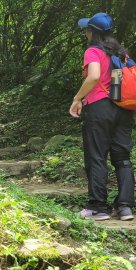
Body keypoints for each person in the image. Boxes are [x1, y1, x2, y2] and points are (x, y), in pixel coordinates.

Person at [70, 12, 135, 221]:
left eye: (87, 30)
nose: (86, 34)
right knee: (122, 158)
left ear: (92, 32)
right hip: (123, 109)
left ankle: (98, 207)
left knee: (96, 156)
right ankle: (125, 207)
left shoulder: (93, 51)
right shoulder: (121, 53)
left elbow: (95, 76)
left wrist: (77, 98)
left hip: (99, 108)